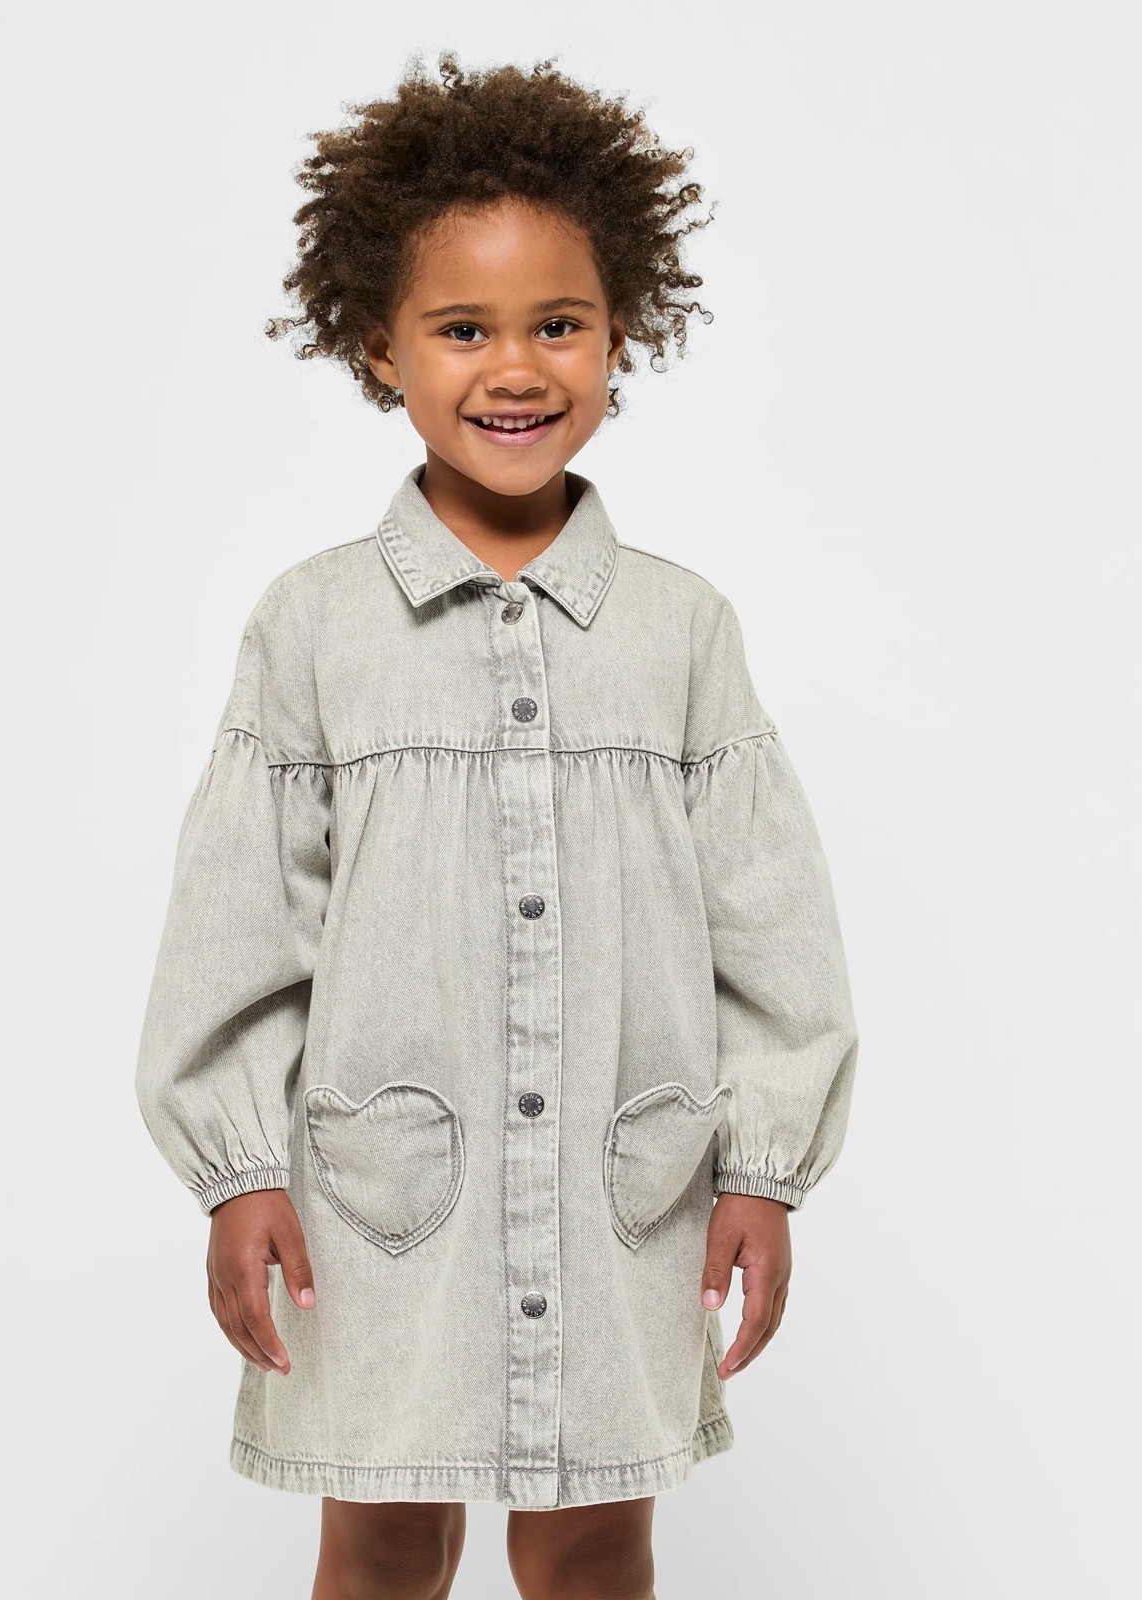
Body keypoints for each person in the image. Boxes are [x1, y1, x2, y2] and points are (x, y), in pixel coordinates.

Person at [135, 49, 860, 1600]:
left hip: (623, 1195)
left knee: (594, 1538)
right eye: (463, 328)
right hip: (377, 1206)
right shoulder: (315, 627)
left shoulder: (680, 631)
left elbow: (772, 920)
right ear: (378, 347)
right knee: (382, 1534)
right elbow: (241, 918)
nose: (514, 368)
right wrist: (238, 1167)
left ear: (620, 336)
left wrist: (763, 1165)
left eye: (558, 324)